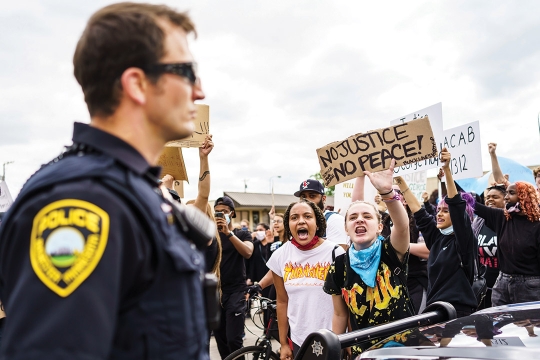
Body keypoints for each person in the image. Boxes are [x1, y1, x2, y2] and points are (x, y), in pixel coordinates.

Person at [0, 3, 211, 359]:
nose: (199, 90)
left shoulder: (134, 191)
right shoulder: (83, 199)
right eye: (187, 72)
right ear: (137, 84)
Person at [324, 159, 410, 356]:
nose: (360, 219)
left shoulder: (391, 250)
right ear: (346, 229)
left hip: (404, 349)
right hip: (364, 352)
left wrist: (388, 193)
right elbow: (339, 314)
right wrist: (336, 352)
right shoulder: (338, 266)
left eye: (367, 216)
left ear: (380, 227)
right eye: (353, 217)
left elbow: (402, 226)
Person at [397, 148, 477, 317]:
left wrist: (447, 170)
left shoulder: (464, 240)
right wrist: (401, 183)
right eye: (438, 209)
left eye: (445, 211)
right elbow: (419, 213)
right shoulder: (437, 238)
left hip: (457, 311)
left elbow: (456, 204)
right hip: (435, 310)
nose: (439, 213)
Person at [267, 199, 345, 358]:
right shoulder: (279, 256)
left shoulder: (336, 253)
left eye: (307, 216)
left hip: (334, 338)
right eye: (294, 218)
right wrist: (283, 343)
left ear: (317, 223)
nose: (301, 220)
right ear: (288, 225)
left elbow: (347, 300)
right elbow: (282, 302)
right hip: (299, 340)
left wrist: (348, 340)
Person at [474, 181, 540, 306]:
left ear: (524, 196)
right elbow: (469, 204)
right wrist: (447, 173)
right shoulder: (502, 218)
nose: (506, 197)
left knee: (528, 325)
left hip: (530, 287)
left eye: (511, 193)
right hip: (502, 283)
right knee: (498, 324)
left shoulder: (537, 225)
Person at [213, 196, 254, 359]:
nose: (221, 215)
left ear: (232, 213)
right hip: (216, 293)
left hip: (236, 291)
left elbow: (248, 252)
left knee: (233, 339)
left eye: (224, 212)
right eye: (217, 212)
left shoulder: (242, 233)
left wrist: (228, 233)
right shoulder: (211, 236)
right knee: (221, 339)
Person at [472, 182, 505, 309]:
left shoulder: (509, 222)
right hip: (483, 286)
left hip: (504, 287)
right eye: (488, 197)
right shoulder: (478, 222)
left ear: (506, 199)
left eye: (495, 197)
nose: (490, 199)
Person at [294, 179, 348, 248]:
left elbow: (341, 255)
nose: (307, 201)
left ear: (323, 199)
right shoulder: (298, 222)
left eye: (312, 196)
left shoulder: (334, 220)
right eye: (303, 197)